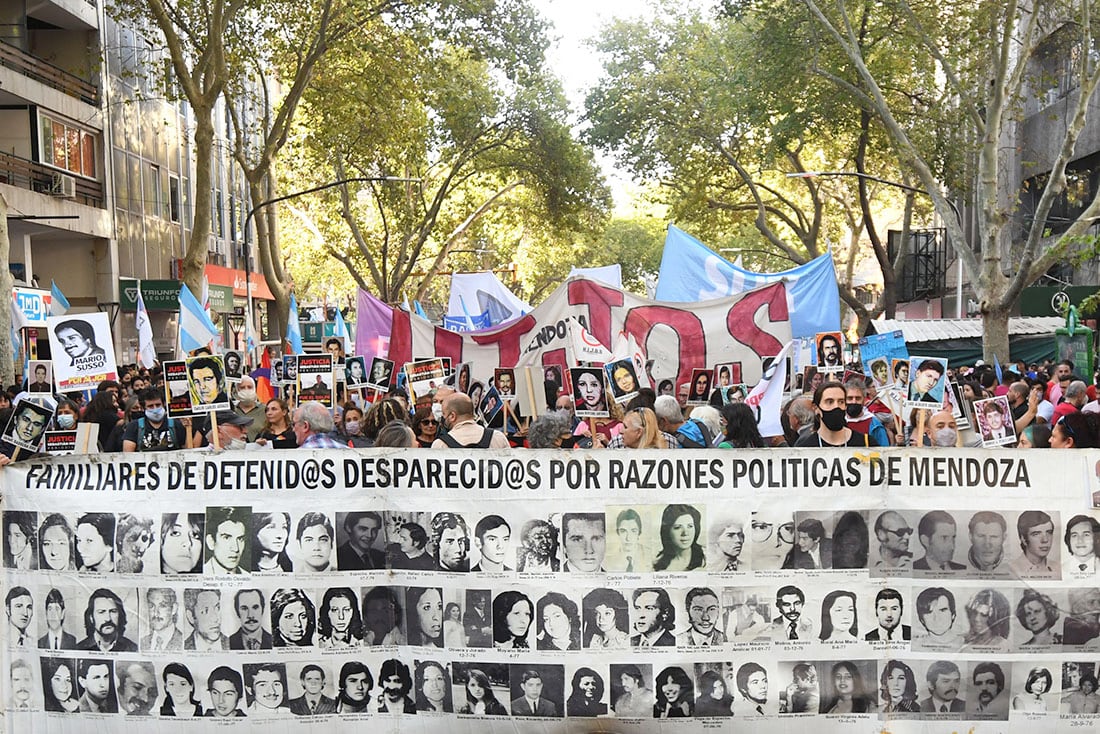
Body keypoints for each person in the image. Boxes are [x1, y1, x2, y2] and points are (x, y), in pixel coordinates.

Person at [795, 382, 869, 446]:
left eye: (841, 402)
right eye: (829, 402)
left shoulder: (867, 443)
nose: (836, 406)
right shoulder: (804, 448)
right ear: (816, 408)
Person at [434, 394, 509, 448]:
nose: (442, 417)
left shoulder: (440, 445)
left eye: (443, 413)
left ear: (452, 416)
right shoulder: (498, 438)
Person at [77, 588, 136, 652]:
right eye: (101, 612)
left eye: (113, 611)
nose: (108, 619)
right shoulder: (78, 649)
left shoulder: (133, 648)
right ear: (91, 618)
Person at [653, 503, 705, 571]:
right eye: (677, 527)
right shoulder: (655, 565)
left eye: (690, 526)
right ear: (667, 531)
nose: (685, 533)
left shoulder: (707, 558)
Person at [1009, 510, 1056, 577]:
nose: (1045, 540)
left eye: (1049, 532)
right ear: (1024, 539)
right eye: (1036, 534)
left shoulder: (1059, 568)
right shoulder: (1010, 570)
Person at [204, 506, 249, 575]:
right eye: (226, 538)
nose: (236, 548)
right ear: (211, 542)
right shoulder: (204, 573)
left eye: (240, 539)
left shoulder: (247, 575)